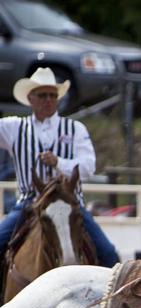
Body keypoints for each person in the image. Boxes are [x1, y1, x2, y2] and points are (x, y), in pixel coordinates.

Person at [0, 67, 119, 269]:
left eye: (53, 95)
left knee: (108, 253)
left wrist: (59, 162)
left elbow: (89, 167)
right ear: (30, 98)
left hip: (70, 202)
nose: (48, 99)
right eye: (43, 95)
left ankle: (115, 298)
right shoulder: (13, 127)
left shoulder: (75, 129)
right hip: (30, 202)